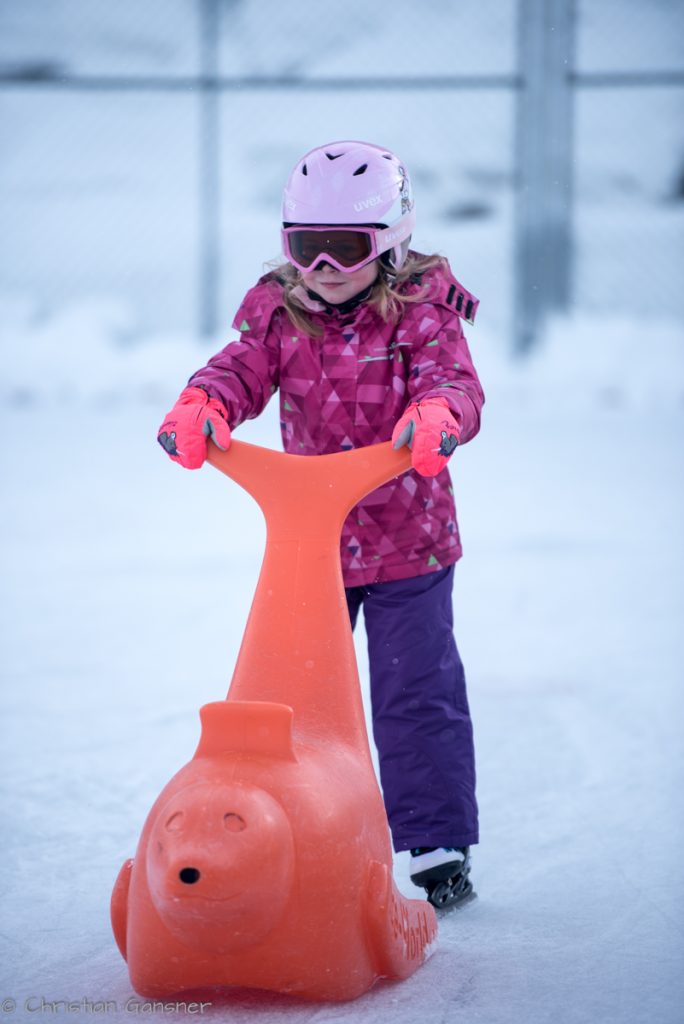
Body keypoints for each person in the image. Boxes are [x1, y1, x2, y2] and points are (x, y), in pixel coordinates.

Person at [157, 140, 484, 909]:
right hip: (316, 549)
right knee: (294, 702)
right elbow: (240, 369)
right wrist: (206, 403)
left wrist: (440, 412)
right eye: (307, 250)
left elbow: (452, 379)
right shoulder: (279, 315)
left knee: (414, 693)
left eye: (345, 250)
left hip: (410, 541)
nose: (324, 272)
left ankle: (436, 846)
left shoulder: (422, 316)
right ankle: (295, 831)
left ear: (393, 245)